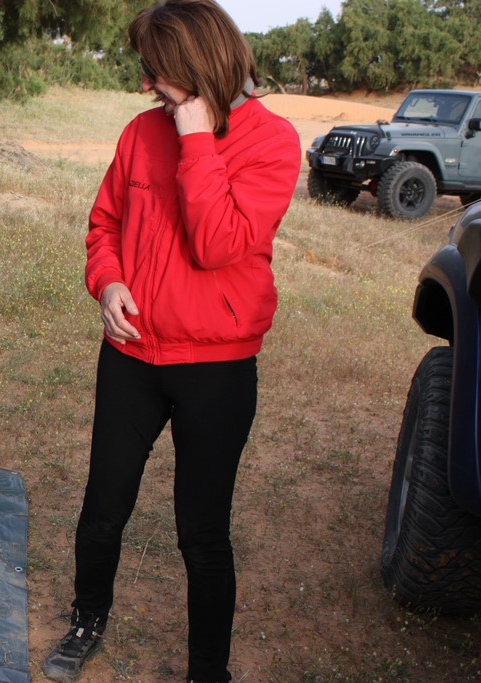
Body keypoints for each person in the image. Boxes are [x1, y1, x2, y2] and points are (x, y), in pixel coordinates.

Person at [42, 1, 301, 682]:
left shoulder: (272, 142)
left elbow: (218, 245)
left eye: (156, 71)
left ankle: (207, 671)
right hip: (131, 357)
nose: (145, 84)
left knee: (202, 533)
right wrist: (107, 283)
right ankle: (86, 620)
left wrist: (197, 140)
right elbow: (104, 224)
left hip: (217, 369)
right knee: (103, 508)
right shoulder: (139, 132)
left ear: (197, 64)